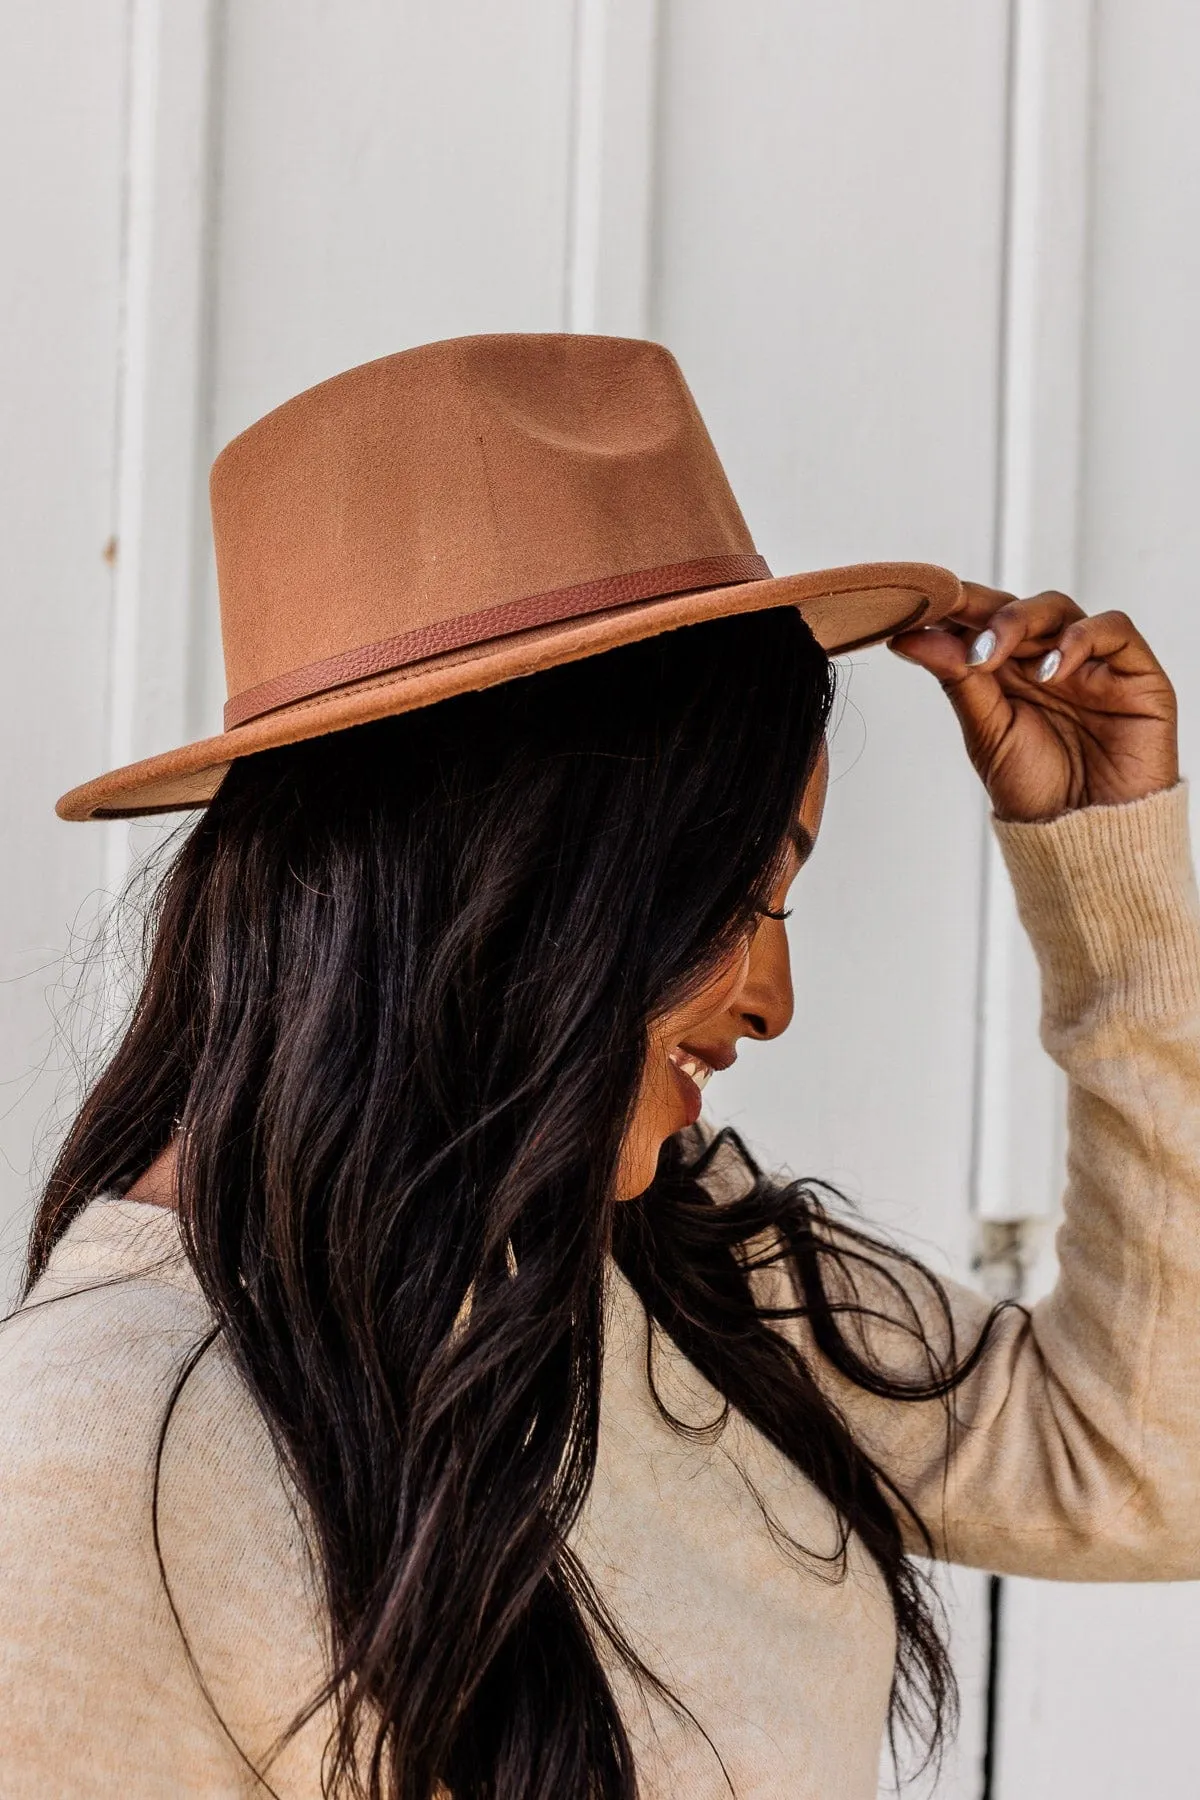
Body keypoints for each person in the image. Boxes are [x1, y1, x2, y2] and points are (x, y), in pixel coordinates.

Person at [3, 333, 1197, 1800]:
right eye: (734, 898)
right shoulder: (88, 1465)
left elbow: (1151, 1462)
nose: (774, 1001)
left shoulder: (682, 1260)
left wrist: (1117, 897)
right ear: (525, 880)